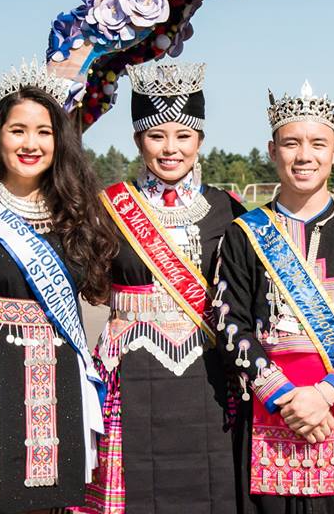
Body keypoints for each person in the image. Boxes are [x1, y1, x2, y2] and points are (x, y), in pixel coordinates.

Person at [0, 60, 118, 513]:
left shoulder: (75, 209)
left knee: (55, 500)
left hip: (59, 369)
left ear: (59, 141)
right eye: (18, 130)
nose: (30, 144)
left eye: (44, 132)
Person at [214, 80, 334, 513]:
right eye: (291, 143)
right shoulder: (244, 235)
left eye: (318, 143)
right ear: (272, 150)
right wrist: (284, 396)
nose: (304, 155)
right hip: (269, 409)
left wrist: (326, 394)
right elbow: (229, 318)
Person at [76, 62, 244, 513]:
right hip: (129, 371)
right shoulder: (109, 207)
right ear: (138, 140)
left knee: (211, 482)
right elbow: (90, 287)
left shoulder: (230, 209)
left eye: (183, 136)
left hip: (207, 374)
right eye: (156, 136)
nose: (170, 149)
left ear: (200, 141)